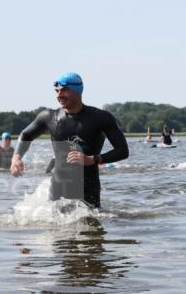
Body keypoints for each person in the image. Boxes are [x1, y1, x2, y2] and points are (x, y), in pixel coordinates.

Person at [10, 72, 129, 208]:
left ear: (78, 91)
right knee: (54, 219)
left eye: (64, 90)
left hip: (88, 190)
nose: (59, 95)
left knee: (90, 220)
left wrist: (92, 159)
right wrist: (16, 158)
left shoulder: (100, 118)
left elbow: (123, 150)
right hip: (58, 189)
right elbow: (26, 135)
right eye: (57, 91)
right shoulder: (49, 117)